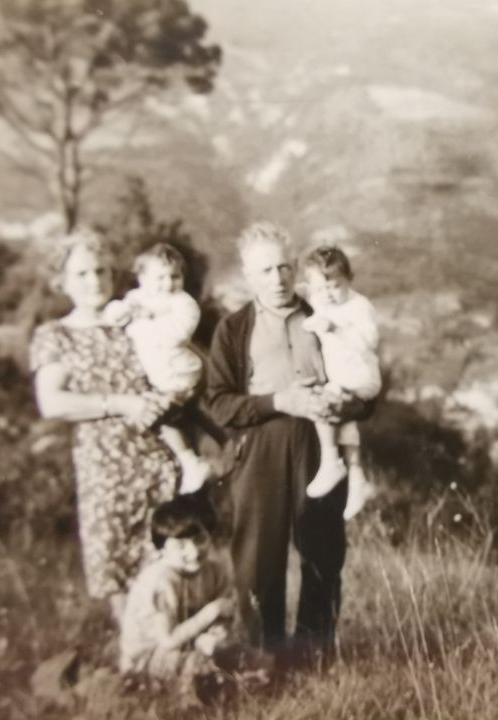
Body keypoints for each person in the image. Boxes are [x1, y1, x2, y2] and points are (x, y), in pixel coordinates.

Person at [204, 222, 371, 656]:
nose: (276, 279)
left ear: (296, 267)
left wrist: (346, 406)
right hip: (259, 447)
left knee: (322, 548)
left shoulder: (326, 315)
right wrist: (280, 401)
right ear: (247, 274)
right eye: (264, 271)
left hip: (320, 446)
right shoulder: (234, 329)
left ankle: (313, 654)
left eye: (283, 267)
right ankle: (265, 658)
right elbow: (220, 403)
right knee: (258, 559)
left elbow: (366, 382)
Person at [29, 228, 178, 621]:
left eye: (101, 271)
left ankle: (178, 661)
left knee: (171, 561)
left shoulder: (135, 322)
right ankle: (138, 665)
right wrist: (119, 404)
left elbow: (174, 372)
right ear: (61, 282)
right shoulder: (56, 336)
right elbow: (52, 402)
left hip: (158, 459)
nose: (94, 281)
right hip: (106, 468)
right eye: (82, 274)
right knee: (119, 566)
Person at [104, 243, 213, 493]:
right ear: (142, 279)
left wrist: (142, 322)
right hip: (157, 375)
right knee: (184, 418)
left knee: (161, 415)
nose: (168, 283)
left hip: (178, 374)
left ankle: (190, 461)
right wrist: (120, 312)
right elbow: (115, 313)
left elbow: (177, 335)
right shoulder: (137, 298)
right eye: (160, 277)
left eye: (175, 276)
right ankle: (216, 446)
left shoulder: (184, 304)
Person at [301, 245, 382, 520]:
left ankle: (330, 460)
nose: (328, 295)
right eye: (321, 289)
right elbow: (308, 299)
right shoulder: (320, 301)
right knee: (345, 421)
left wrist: (336, 328)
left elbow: (369, 341)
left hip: (360, 377)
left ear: (349, 279)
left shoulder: (358, 306)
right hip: (343, 377)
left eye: (335, 287)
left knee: (324, 404)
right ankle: (357, 478)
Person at [118, 493, 234, 681]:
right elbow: (168, 640)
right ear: (161, 548)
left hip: (187, 641)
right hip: (148, 657)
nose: (194, 551)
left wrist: (217, 630)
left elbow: (226, 610)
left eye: (200, 539)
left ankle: (220, 676)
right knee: (199, 666)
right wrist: (211, 612)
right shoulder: (162, 581)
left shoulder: (214, 570)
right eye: (180, 546)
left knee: (236, 650)